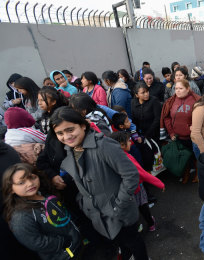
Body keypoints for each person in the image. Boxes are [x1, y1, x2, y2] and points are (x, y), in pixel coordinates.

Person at [50, 106, 149, 259]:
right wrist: (84, 203)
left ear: (83, 125)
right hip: (98, 213)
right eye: (60, 133)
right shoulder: (70, 151)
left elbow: (130, 175)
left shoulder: (104, 145)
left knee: (133, 241)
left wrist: (118, 205)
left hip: (119, 210)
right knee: (120, 241)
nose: (66, 136)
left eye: (70, 130)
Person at [2, 163, 82, 259]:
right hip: (65, 255)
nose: (30, 183)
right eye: (21, 183)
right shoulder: (21, 216)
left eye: (32, 177)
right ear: (11, 189)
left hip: (78, 244)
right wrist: (63, 242)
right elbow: (35, 242)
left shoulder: (45, 194)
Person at [110, 131, 165, 232]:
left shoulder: (111, 158)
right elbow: (142, 173)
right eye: (128, 141)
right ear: (122, 145)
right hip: (137, 189)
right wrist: (160, 184)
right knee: (143, 207)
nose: (130, 143)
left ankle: (138, 226)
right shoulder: (127, 158)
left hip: (124, 192)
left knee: (132, 211)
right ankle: (151, 224)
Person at [160, 79, 200, 183]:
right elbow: (166, 117)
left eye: (181, 88)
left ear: (188, 89)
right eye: (176, 88)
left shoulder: (196, 100)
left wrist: (193, 127)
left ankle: (197, 174)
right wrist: (171, 133)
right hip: (178, 137)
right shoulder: (172, 101)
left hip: (193, 136)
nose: (178, 91)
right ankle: (185, 175)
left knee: (196, 157)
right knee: (184, 158)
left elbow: (201, 117)